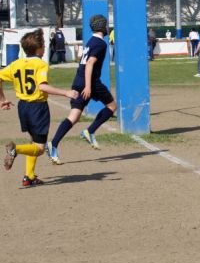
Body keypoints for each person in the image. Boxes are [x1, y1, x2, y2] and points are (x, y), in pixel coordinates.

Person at [0, 29, 78, 186]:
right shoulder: (41, 64)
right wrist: (66, 93)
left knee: (33, 141)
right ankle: (15, 150)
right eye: (43, 45)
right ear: (39, 48)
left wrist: (2, 99)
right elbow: (42, 87)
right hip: (38, 108)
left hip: (23, 107)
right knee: (40, 148)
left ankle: (28, 177)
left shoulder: (16, 64)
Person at [46, 15, 117, 165]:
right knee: (112, 106)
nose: (107, 28)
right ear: (103, 27)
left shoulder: (90, 41)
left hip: (79, 80)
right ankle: (89, 131)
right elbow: (90, 64)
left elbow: (83, 60)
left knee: (74, 116)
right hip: (90, 82)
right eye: (106, 25)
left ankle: (54, 143)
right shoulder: (101, 43)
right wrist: (89, 86)